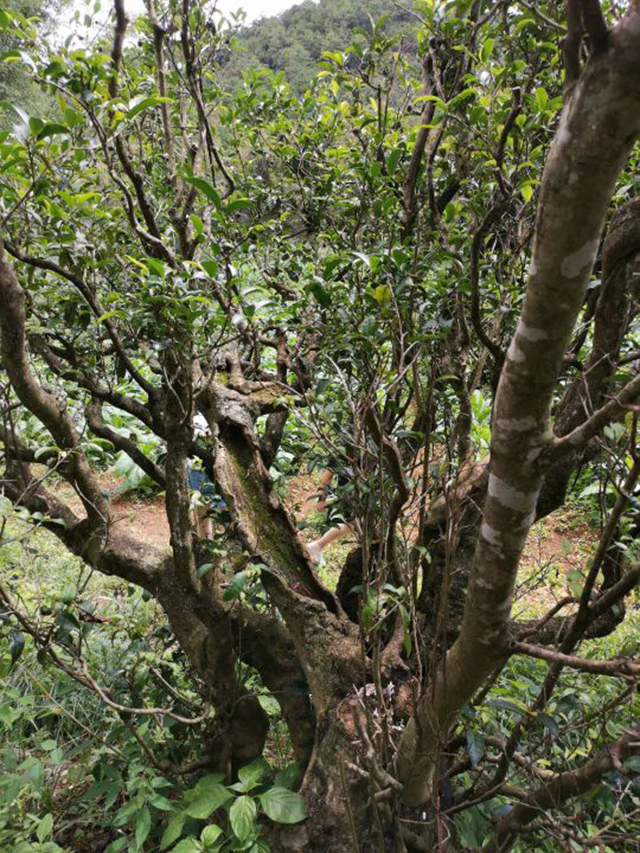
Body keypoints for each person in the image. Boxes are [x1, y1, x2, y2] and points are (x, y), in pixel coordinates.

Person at [188, 413, 225, 539]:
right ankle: (207, 541)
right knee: (203, 509)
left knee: (221, 506)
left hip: (215, 469)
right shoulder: (192, 420)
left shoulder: (217, 417)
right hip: (197, 470)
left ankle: (221, 538)